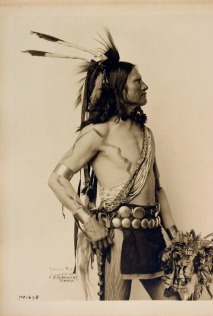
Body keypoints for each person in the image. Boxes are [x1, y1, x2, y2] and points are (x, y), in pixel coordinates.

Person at [24, 29, 179, 300]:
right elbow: (56, 179)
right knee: (114, 306)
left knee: (174, 303)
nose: (145, 86)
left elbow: (159, 189)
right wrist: (88, 222)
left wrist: (175, 236)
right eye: (138, 81)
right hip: (117, 237)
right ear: (119, 88)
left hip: (153, 237)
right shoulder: (97, 133)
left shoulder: (146, 133)